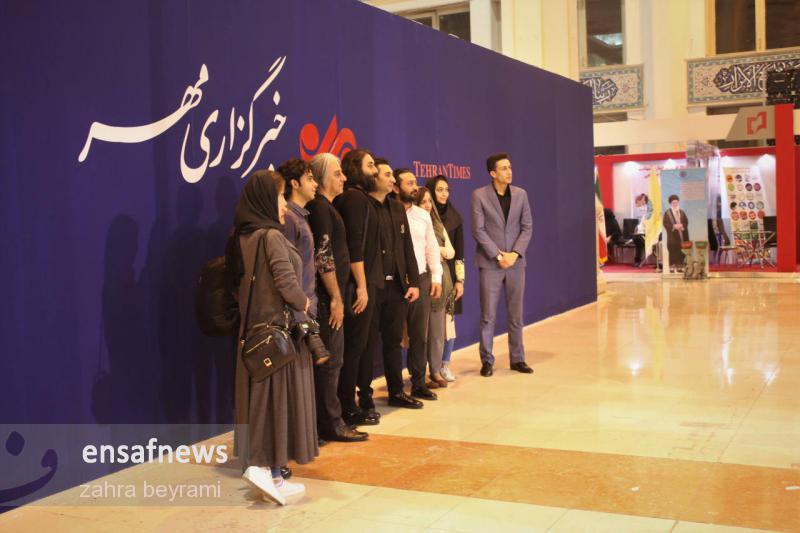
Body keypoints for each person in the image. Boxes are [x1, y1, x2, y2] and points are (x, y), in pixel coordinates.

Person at [228, 169, 317, 505]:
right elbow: (285, 280)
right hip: (276, 332)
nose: (283, 204)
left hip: (252, 331)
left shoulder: (241, 236)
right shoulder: (271, 237)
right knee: (275, 402)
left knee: (263, 402)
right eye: (279, 196)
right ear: (267, 198)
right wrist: (304, 303)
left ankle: (275, 476)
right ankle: (262, 466)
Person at [286, 156, 367, 443]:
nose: (344, 178)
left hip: (328, 296)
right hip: (323, 298)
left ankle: (327, 421)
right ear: (320, 178)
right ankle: (330, 423)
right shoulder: (320, 208)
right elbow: (323, 256)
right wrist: (335, 297)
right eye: (337, 173)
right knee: (330, 361)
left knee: (334, 360)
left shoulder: (324, 208)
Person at [358, 159, 422, 409]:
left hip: (397, 287)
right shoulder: (363, 206)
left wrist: (413, 281)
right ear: (373, 177)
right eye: (386, 175)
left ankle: (396, 391)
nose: (392, 180)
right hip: (372, 286)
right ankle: (365, 397)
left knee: (393, 341)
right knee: (366, 344)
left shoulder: (396, 208)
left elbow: (407, 248)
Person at [471, 152, 533, 377]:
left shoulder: (521, 194)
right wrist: (499, 256)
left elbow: (527, 227)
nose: (509, 171)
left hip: (516, 263)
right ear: (493, 173)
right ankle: (487, 360)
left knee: (516, 315)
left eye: (510, 167)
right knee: (488, 315)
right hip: (491, 263)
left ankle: (518, 359)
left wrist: (514, 254)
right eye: (504, 168)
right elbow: (478, 230)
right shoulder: (479, 195)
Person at [394, 168, 442, 400]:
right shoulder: (389, 212)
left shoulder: (423, 215)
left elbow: (431, 247)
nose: (415, 187)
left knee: (419, 335)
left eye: (415, 182)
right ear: (396, 187)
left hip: (421, 279)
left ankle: (419, 383)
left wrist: (436, 277)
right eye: (409, 183)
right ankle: (395, 388)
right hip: (396, 283)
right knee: (393, 337)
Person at [426, 175, 464, 382]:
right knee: (430, 326)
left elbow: (459, 254)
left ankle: (445, 364)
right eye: (439, 190)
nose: (444, 194)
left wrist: (460, 281)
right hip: (430, 277)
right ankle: (429, 367)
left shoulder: (455, 217)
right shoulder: (424, 216)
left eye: (446, 190)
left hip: (450, 278)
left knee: (449, 322)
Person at [416, 187, 454, 389]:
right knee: (421, 332)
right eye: (423, 202)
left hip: (440, 281)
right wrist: (435, 251)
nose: (428, 205)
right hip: (422, 281)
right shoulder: (414, 222)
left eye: (429, 201)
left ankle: (436, 370)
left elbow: (451, 251)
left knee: (437, 331)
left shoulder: (437, 224)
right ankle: (419, 373)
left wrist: (436, 249)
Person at [663, 194, 689, 273]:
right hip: (672, 236)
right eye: (673, 203)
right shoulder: (667, 213)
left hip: (682, 235)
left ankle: (680, 267)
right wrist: (674, 226)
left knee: (681, 251)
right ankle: (672, 267)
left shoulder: (682, 212)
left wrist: (682, 225)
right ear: (670, 203)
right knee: (673, 250)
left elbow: (686, 221)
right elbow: (665, 223)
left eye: (676, 202)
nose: (675, 204)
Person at [632, 194, 648, 267]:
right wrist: (638, 229)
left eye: (643, 200)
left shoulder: (649, 211)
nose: (642, 202)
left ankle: (638, 261)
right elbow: (641, 225)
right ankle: (637, 260)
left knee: (638, 238)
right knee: (637, 240)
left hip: (649, 233)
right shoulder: (645, 213)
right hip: (641, 233)